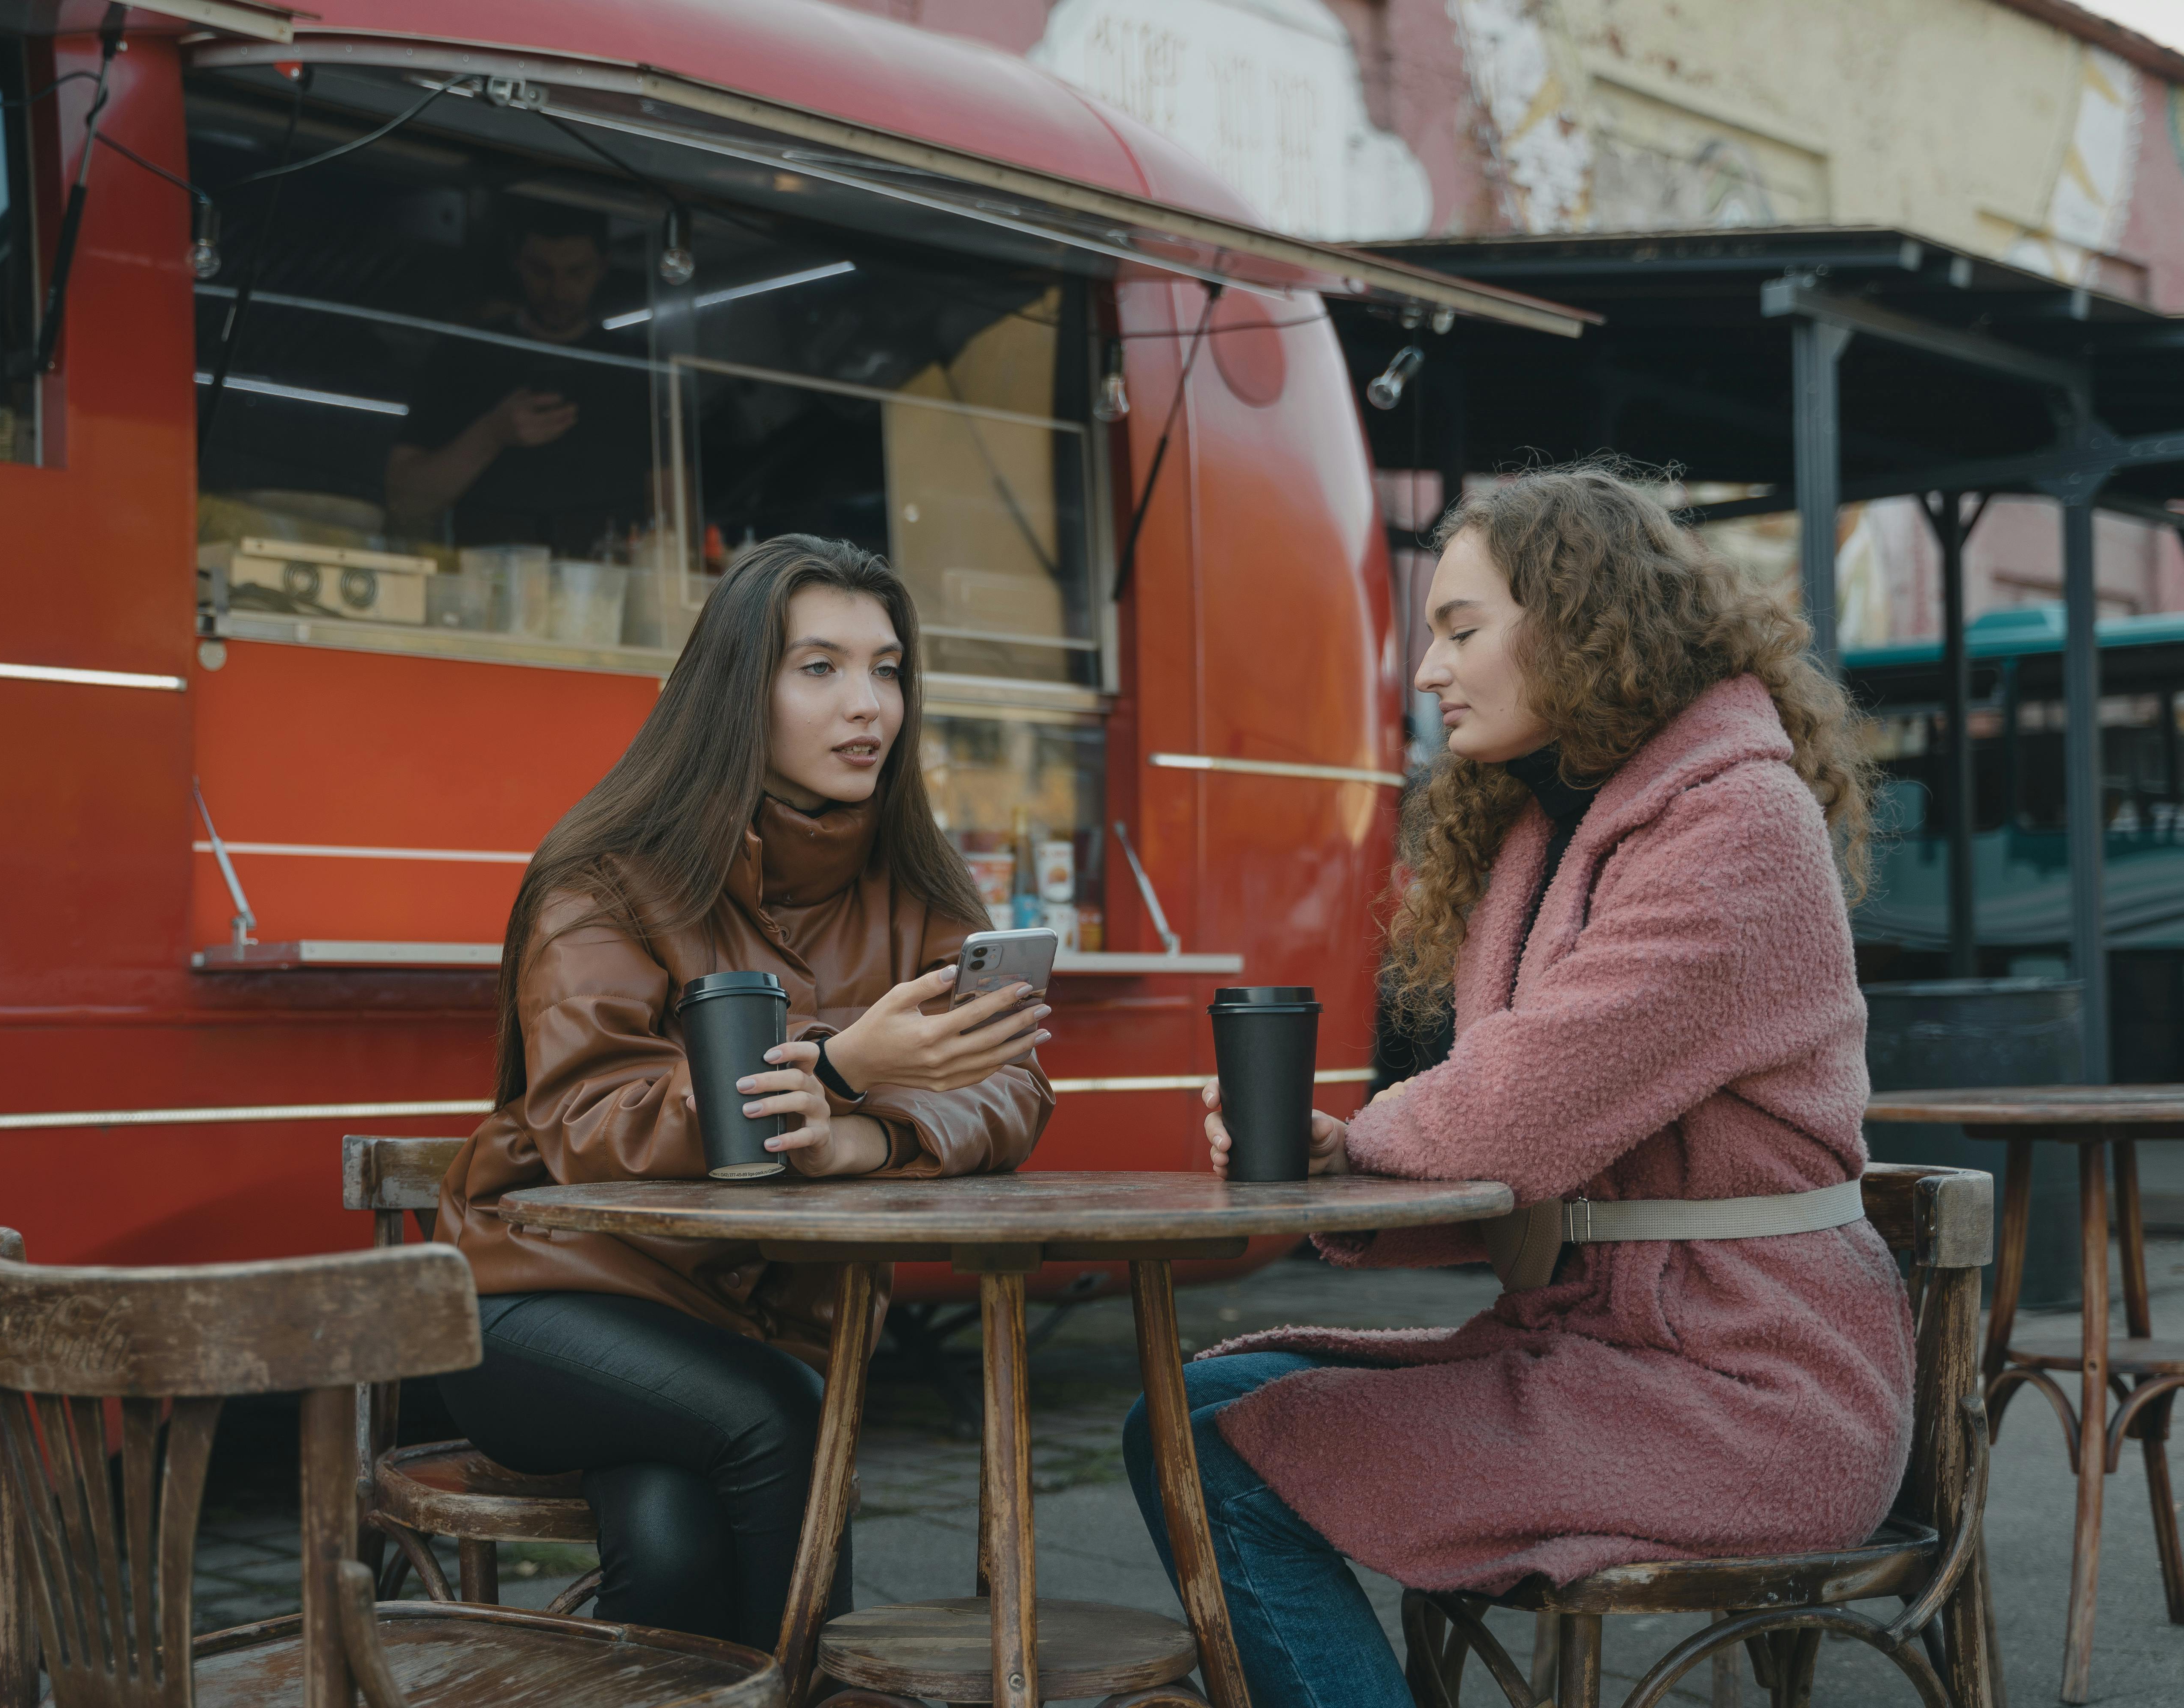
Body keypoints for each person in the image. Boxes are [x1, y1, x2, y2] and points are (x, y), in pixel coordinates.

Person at [1124, 466, 1909, 1707]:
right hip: (1616, 1351)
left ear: (1578, 619)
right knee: (1193, 1402)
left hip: (1752, 1393)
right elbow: (1529, 1138)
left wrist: (1352, 1145)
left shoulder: (1737, 824)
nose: (1426, 670)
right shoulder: (1549, 826)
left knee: (1217, 1452)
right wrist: (1342, 1163)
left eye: (1457, 628)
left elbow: (1514, 1109)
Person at [433, 533, 1053, 1650]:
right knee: (778, 1421)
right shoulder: (606, 873)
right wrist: (839, 1067)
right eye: (819, 667)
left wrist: (863, 1138)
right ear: (738, 688)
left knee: (674, 1547)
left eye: (888, 668)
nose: (868, 704)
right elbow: (589, 1117)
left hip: (753, 1326)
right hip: (540, 1301)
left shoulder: (922, 888)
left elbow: (1012, 1084)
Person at [385, 199, 652, 552]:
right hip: (487, 583)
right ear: (517, 263)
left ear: (603, 267)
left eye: (576, 272)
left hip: (608, 586)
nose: (558, 290)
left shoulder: (637, 367)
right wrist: (493, 434)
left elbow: (674, 510)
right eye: (541, 271)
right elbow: (406, 500)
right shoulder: (466, 354)